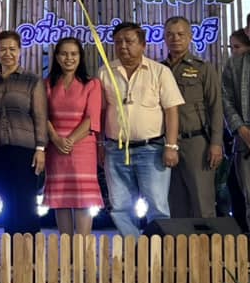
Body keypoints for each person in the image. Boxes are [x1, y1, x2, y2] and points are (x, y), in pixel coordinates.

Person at [98, 22, 183, 237]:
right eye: (118, 42)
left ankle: (157, 250)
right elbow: (101, 111)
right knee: (120, 207)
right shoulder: (105, 71)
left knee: (157, 206)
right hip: (115, 149)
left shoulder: (160, 71)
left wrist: (171, 146)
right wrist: (100, 144)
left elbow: (171, 111)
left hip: (152, 149)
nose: (123, 46)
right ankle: (134, 248)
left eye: (129, 41)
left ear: (143, 44)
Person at [162, 16, 224, 219]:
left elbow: (216, 107)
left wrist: (216, 143)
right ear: (164, 37)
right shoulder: (159, 69)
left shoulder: (202, 68)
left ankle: (207, 241)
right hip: (166, 144)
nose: (175, 39)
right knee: (175, 205)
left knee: (202, 203)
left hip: (196, 143)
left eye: (180, 34)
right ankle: (180, 242)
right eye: (170, 34)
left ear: (190, 37)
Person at [0, 30, 48, 234]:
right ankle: (11, 248)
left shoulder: (32, 81)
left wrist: (40, 148)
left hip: (25, 150)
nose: (8, 53)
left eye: (12, 49)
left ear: (20, 51)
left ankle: (30, 249)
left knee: (26, 202)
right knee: (6, 201)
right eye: (3, 49)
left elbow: (40, 116)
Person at [43, 37, 103, 236]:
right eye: (64, 54)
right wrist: (56, 139)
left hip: (83, 149)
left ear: (80, 57)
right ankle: (66, 248)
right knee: (61, 199)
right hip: (55, 148)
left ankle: (82, 249)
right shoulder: (47, 84)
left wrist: (69, 141)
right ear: (57, 57)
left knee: (82, 199)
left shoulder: (92, 84)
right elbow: (42, 116)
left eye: (73, 54)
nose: (69, 58)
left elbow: (92, 118)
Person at [219, 29, 250, 228]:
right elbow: (226, 99)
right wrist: (241, 128)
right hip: (244, 139)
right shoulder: (234, 64)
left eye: (236, 46)